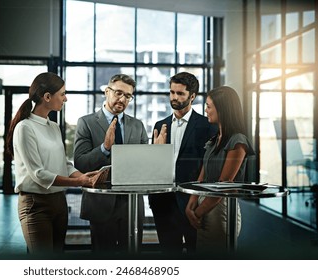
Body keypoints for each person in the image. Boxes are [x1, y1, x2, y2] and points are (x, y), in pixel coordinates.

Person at [5, 72, 105, 255]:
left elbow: (64, 164)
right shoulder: (25, 128)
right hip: (35, 204)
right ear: (47, 97)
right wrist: (78, 182)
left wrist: (82, 176)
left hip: (59, 201)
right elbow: (38, 174)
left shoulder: (53, 126)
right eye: (62, 94)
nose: (65, 99)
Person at [73, 73, 149, 254]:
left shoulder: (137, 125)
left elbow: (146, 165)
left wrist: (156, 152)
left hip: (132, 204)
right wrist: (105, 148)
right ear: (107, 92)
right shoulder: (86, 123)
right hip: (101, 204)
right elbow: (80, 163)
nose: (122, 99)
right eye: (118, 93)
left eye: (128, 96)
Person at [149, 72, 218, 255]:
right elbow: (153, 167)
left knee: (196, 254)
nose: (174, 97)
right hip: (163, 201)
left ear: (192, 96)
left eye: (180, 94)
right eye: (172, 92)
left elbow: (208, 166)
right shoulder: (159, 125)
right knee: (169, 254)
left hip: (192, 202)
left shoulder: (208, 126)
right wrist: (156, 151)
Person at [185, 85, 255, 253]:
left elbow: (224, 183)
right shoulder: (215, 139)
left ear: (222, 110)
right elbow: (203, 174)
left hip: (220, 209)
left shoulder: (238, 141)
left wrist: (198, 213)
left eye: (209, 106)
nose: (205, 110)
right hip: (204, 204)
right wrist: (191, 206)